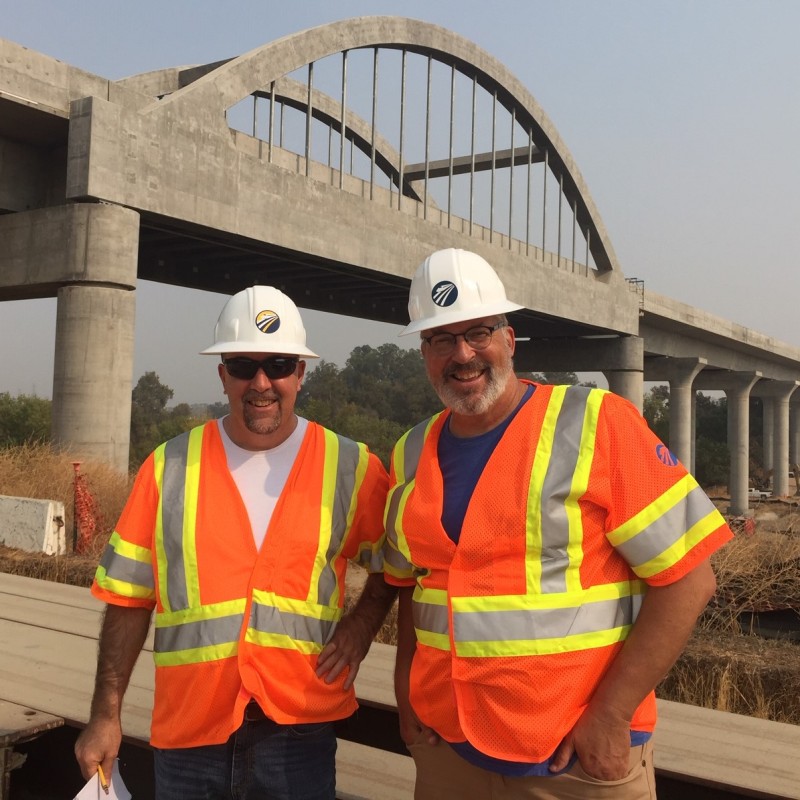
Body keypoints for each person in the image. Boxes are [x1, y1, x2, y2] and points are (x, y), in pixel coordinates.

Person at [382, 248, 733, 800]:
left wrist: (612, 717)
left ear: (509, 339)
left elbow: (690, 580)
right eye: (441, 339)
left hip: (572, 757)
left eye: (478, 332)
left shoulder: (598, 423)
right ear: (424, 352)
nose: (463, 354)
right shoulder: (408, 453)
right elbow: (414, 587)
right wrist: (406, 691)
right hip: (449, 750)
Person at [75, 285, 397, 800]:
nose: (262, 382)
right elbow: (127, 599)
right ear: (222, 373)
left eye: (278, 363)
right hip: (190, 735)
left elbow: (395, 562)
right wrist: (104, 716)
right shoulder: (168, 468)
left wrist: (360, 628)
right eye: (244, 364)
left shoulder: (352, 467)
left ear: (301, 373)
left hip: (297, 732)